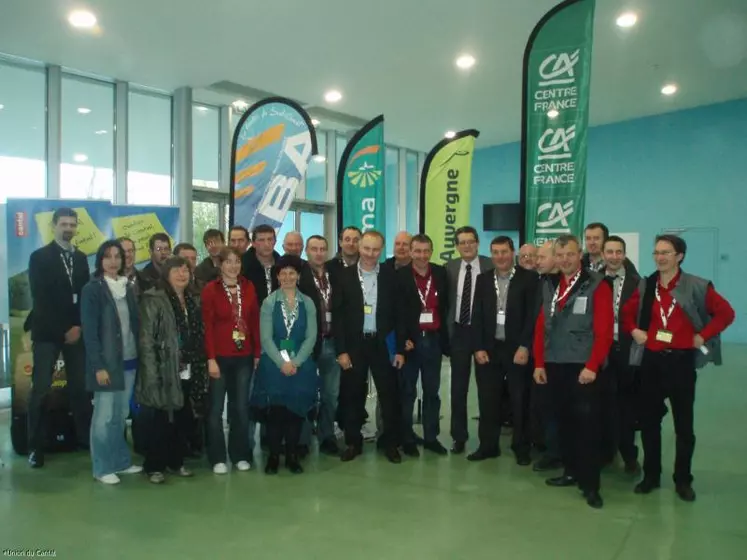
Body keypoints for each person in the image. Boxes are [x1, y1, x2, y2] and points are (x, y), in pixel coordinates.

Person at [627, 234, 734, 502]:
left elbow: (726, 313)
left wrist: (703, 335)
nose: (660, 257)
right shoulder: (647, 284)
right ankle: (650, 476)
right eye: (656, 252)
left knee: (683, 425)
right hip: (651, 361)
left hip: (681, 362)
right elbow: (627, 313)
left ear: (680, 256)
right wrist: (635, 330)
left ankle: (683, 480)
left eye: (666, 252)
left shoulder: (696, 285)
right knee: (650, 422)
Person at [533, 235, 613, 509]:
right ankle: (570, 471)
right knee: (564, 423)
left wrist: (592, 366)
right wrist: (539, 363)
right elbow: (542, 326)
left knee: (587, 428)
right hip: (555, 364)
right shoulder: (550, 284)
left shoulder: (597, 285)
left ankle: (591, 485)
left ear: (579, 254)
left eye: (570, 254)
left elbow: (604, 331)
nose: (565, 259)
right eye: (560, 255)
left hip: (583, 368)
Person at [27, 207, 92, 468]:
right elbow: (40, 299)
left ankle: (85, 440)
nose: (68, 228)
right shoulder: (39, 257)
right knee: (40, 390)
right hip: (47, 333)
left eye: (72, 224)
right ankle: (35, 447)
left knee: (80, 389)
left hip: (76, 333)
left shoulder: (81, 258)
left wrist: (78, 327)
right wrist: (64, 330)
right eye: (63, 223)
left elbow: (84, 296)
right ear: (53, 226)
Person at [332, 230, 403, 463]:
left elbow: (399, 315)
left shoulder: (391, 277)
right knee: (353, 394)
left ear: (381, 250)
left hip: (383, 344)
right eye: (367, 248)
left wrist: (399, 349)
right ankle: (353, 442)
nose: (371, 254)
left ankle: (390, 443)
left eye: (376, 249)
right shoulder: (343, 276)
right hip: (355, 345)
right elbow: (339, 316)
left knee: (389, 394)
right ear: (359, 248)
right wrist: (341, 350)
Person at [137, 256, 207, 484]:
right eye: (176, 270)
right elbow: (146, 340)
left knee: (183, 417)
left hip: (189, 368)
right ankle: (154, 466)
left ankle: (176, 461)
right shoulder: (154, 299)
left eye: (186, 270)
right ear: (166, 273)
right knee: (161, 420)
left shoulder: (193, 299)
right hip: (164, 368)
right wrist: (152, 374)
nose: (182, 274)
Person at [471, 236, 538, 465]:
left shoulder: (529, 278)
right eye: (496, 252)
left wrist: (525, 346)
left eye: (504, 252)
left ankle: (521, 447)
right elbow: (477, 315)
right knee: (487, 399)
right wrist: (477, 346)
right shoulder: (483, 279)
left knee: (520, 400)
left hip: (516, 348)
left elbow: (532, 316)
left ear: (513, 253)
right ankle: (488, 446)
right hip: (489, 349)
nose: (500, 256)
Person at [81, 240, 142, 484]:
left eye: (118, 256)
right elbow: (90, 332)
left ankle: (120, 461)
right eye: (108, 256)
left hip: (129, 361)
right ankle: (102, 467)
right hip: (107, 364)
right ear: (100, 260)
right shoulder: (93, 289)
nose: (114, 261)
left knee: (121, 414)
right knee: (104, 416)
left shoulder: (126, 286)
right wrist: (98, 366)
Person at [251, 255, 318, 474]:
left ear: (298, 276)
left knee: (295, 413)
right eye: (283, 273)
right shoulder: (269, 302)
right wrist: (282, 363)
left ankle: (291, 455)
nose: (288, 277)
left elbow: (311, 337)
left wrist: (296, 362)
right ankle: (273, 456)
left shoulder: (307, 302)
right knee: (276, 413)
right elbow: (266, 338)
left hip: (301, 365)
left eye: (292, 273)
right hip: (274, 365)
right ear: (277, 276)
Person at [202, 247, 261, 474]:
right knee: (216, 409)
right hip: (219, 358)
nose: (233, 266)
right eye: (228, 262)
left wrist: (256, 353)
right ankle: (217, 457)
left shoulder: (248, 287)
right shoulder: (211, 290)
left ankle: (240, 455)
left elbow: (254, 321)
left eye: (237, 261)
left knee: (241, 408)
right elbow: (207, 326)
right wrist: (210, 358)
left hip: (244, 357)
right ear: (220, 264)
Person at [394, 234, 449, 457]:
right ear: (410, 251)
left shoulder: (441, 273)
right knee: (407, 392)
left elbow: (445, 306)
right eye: (417, 251)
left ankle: (430, 437)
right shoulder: (400, 276)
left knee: (432, 391)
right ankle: (407, 438)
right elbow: (396, 312)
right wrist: (401, 340)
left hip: (434, 340)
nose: (422, 256)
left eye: (426, 251)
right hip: (410, 343)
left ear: (431, 251)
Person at [445, 226, 493, 454]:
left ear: (477, 243)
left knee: (486, 388)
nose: (467, 246)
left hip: (484, 334)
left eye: (471, 241)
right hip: (459, 333)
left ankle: (487, 439)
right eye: (462, 242)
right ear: (456, 246)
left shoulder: (490, 265)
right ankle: (459, 436)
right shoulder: (450, 268)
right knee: (458, 388)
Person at [599, 235, 641, 473]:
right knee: (602, 405)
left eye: (618, 252)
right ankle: (605, 453)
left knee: (626, 407)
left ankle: (629, 455)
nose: (613, 257)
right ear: (603, 255)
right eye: (609, 252)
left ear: (624, 255)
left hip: (627, 352)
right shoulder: (594, 281)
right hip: (601, 353)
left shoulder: (638, 283)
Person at [298, 235, 340, 455]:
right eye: (314, 248)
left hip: (332, 342)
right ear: (307, 251)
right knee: (306, 392)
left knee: (330, 394)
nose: (319, 253)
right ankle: (303, 439)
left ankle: (327, 436)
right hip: (308, 344)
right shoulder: (299, 276)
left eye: (323, 248)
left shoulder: (336, 274)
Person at [531, 240, 562, 472]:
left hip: (565, 356)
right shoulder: (539, 282)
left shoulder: (568, 285)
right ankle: (550, 450)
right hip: (541, 354)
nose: (536, 261)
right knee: (546, 406)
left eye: (541, 257)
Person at [242, 224, 281, 305]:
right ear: (253, 243)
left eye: (270, 239)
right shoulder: (242, 266)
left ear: (275, 242)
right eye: (261, 240)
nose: (266, 244)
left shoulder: (282, 265)